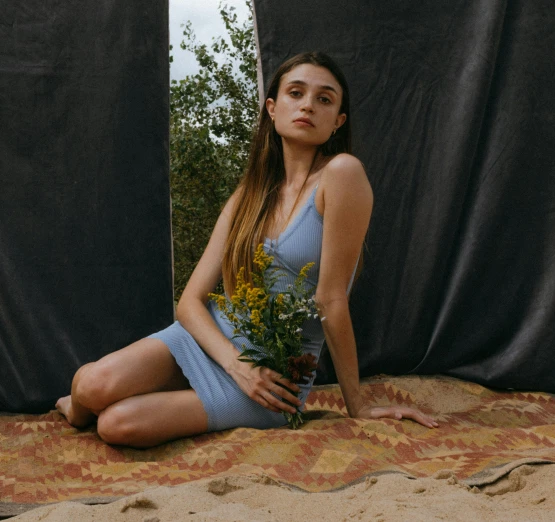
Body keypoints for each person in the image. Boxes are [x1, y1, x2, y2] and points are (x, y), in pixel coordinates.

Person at [56, 52, 438, 448]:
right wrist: (234, 364)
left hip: (272, 377)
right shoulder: (248, 196)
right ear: (272, 109)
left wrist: (356, 404)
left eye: (325, 99)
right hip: (216, 343)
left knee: (117, 426)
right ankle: (77, 406)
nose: (308, 104)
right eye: (296, 92)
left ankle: (99, 404)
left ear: (338, 121)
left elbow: (330, 299)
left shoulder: (342, 174)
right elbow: (190, 302)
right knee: (91, 384)